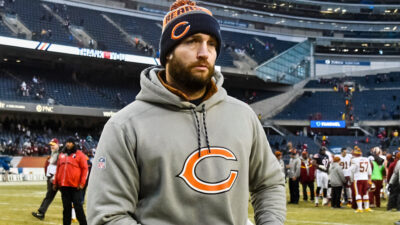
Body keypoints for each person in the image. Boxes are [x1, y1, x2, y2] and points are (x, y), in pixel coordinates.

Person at [87, 0, 286, 224]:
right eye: (192, 41)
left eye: (211, 44)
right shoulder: (125, 126)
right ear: (168, 52)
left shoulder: (243, 115)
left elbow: (269, 184)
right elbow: (108, 215)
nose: (204, 53)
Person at [53, 137, 88, 225]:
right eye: (67, 142)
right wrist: (55, 182)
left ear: (74, 144)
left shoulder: (80, 154)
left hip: (76, 186)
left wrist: (82, 183)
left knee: (78, 208)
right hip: (64, 187)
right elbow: (58, 169)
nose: (68, 144)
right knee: (66, 209)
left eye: (70, 142)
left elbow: (85, 169)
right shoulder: (61, 155)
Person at [32, 138, 60, 220]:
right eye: (50, 145)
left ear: (57, 144)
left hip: (58, 179)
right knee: (49, 196)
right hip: (51, 178)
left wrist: (55, 177)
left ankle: (74, 214)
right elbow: (48, 166)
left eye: (53, 145)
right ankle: (41, 213)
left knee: (68, 197)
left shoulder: (60, 154)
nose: (51, 146)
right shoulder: (52, 154)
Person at [350, 146, 372, 213]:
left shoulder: (354, 160)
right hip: (365, 178)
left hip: (358, 178)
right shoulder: (366, 159)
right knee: (365, 193)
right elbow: (369, 171)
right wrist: (369, 179)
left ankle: (360, 208)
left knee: (358, 193)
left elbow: (352, 170)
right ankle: (367, 207)